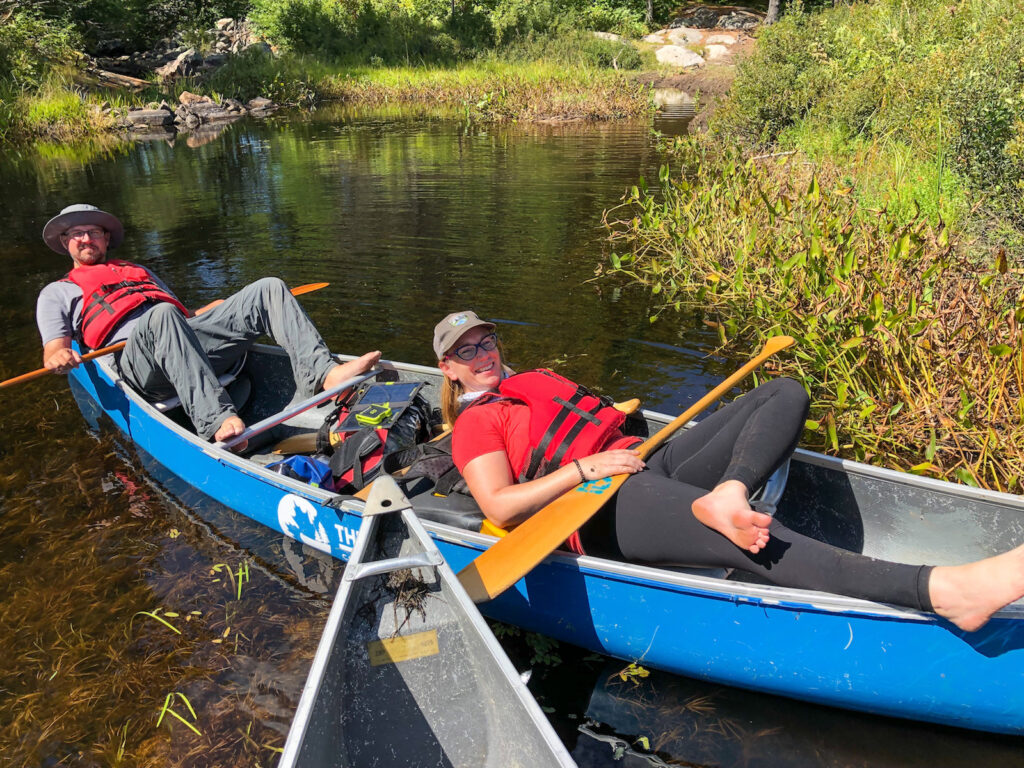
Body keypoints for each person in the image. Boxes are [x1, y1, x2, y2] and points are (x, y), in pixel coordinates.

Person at [432, 310, 1024, 633]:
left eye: (487, 343)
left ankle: (729, 493)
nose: (483, 356)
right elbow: (501, 507)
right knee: (740, 539)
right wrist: (584, 466)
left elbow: (600, 423)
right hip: (594, 505)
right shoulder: (475, 423)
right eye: (467, 352)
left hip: (639, 464)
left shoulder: (528, 381)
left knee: (783, 392)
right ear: (448, 369)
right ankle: (946, 591)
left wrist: (617, 437)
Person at [36, 203, 380, 443]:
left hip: (181, 339)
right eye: (76, 233)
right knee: (161, 316)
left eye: (93, 231)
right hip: (142, 368)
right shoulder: (57, 292)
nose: (85, 239)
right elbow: (54, 348)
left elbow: (182, 321)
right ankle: (216, 420)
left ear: (106, 238)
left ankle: (324, 372)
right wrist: (59, 357)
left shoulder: (138, 272)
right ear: (65, 242)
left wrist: (212, 310)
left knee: (268, 287)